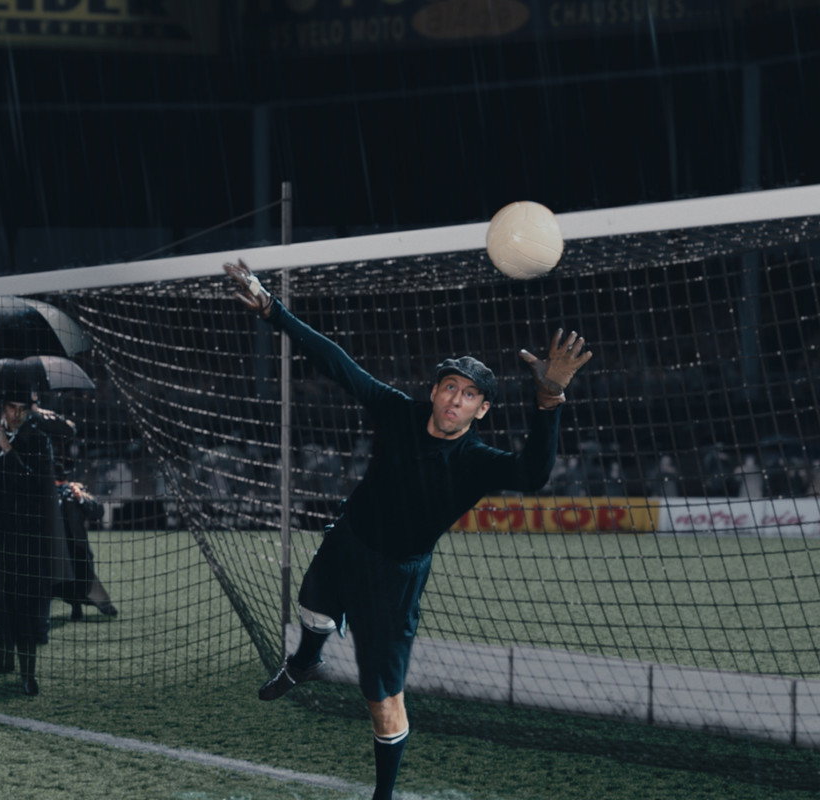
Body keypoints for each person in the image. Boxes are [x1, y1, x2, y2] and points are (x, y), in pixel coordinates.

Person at [227, 260, 591, 800]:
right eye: (449, 387)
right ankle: (304, 664)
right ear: (435, 389)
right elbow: (338, 363)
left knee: (382, 696)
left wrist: (549, 403)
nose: (454, 400)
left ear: (483, 409)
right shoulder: (398, 411)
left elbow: (534, 475)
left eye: (469, 395)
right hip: (348, 538)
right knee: (311, 607)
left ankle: (383, 794)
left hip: (395, 578)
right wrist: (274, 310)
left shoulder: (478, 460)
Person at [0, 381, 67, 696]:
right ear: (2, 406)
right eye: (12, 407)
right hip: (0, 531)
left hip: (30, 537)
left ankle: (28, 673)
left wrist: (6, 449)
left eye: (23, 409)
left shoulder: (38, 440)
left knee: (27, 605)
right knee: (1, 597)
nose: (18, 414)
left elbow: (33, 485)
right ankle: (2, 656)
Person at [36, 403, 118, 621]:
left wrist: (80, 496)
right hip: (53, 550)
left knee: (85, 583)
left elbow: (97, 511)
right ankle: (72, 608)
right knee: (53, 582)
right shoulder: (44, 493)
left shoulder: (74, 492)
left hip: (76, 552)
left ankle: (90, 606)